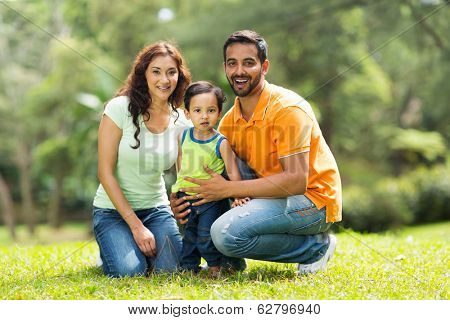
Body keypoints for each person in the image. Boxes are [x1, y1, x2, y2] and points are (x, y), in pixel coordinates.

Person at [170, 30, 342, 275]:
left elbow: (295, 182)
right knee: (214, 198)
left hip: (314, 201)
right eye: (232, 64)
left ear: (264, 67)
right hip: (270, 195)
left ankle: (315, 248)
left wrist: (229, 190)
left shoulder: (288, 109)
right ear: (225, 68)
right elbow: (222, 177)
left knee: (224, 233)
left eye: (248, 63)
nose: (239, 71)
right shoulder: (229, 122)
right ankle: (230, 262)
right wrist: (186, 200)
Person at [92, 41, 191, 277]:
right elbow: (104, 172)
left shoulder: (182, 121)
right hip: (112, 212)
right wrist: (136, 227)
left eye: (171, 72)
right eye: (156, 71)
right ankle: (114, 247)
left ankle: (132, 248)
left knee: (171, 271)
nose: (164, 80)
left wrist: (180, 203)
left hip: (157, 210)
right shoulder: (119, 109)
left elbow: (184, 175)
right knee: (130, 272)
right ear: (143, 74)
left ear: (179, 76)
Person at [171, 81, 249, 276]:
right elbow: (181, 163)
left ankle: (216, 267)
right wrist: (178, 188)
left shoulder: (221, 142)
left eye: (211, 110)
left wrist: (237, 195)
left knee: (206, 235)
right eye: (197, 110)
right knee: (189, 235)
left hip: (212, 200)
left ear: (219, 112)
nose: (204, 116)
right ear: (187, 113)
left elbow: (233, 172)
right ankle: (188, 268)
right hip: (188, 197)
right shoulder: (183, 136)